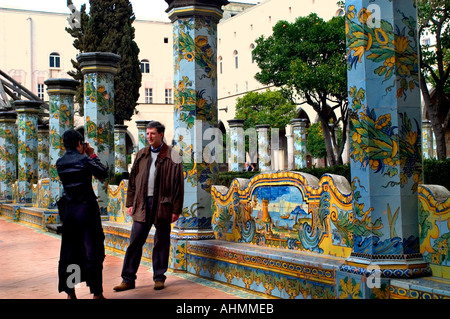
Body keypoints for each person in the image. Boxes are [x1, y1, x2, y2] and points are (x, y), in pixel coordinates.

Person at [113, 121, 184, 292]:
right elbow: (132, 182)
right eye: (147, 134)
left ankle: (159, 277)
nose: (149, 137)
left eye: (153, 133)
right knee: (135, 242)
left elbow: (179, 186)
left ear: (161, 134)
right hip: (142, 204)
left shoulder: (173, 156)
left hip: (163, 205)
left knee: (161, 242)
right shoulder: (141, 154)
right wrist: (130, 203)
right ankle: (128, 279)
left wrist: (176, 210)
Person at [56, 129, 109, 299]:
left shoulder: (60, 162)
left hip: (70, 212)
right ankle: (96, 293)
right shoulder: (85, 160)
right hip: (87, 210)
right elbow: (103, 173)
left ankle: (70, 293)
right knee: (93, 251)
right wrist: (92, 155)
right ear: (80, 144)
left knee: (70, 252)